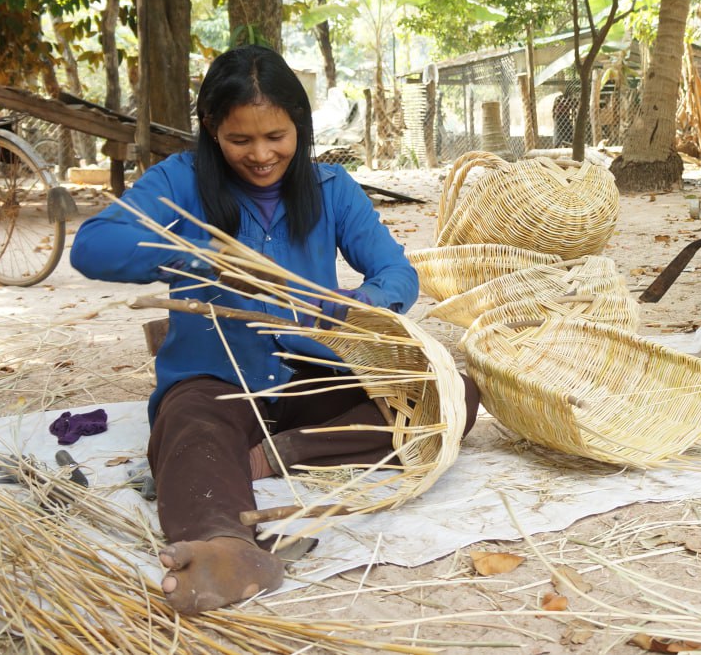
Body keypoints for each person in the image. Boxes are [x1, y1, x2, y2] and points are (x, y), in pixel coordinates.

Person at [71, 45, 478, 614]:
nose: (261, 155)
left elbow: (397, 273)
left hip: (315, 373)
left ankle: (274, 456)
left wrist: (361, 300)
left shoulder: (333, 187)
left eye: (276, 137)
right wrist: (192, 253)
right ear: (212, 128)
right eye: (241, 140)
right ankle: (228, 544)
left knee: (451, 394)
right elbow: (92, 247)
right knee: (187, 424)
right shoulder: (180, 180)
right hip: (219, 376)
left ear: (300, 127)